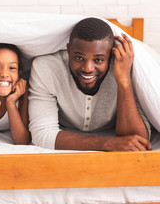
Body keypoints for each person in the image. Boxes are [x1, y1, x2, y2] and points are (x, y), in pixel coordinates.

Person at [29, 17, 152, 151]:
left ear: (110, 56)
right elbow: (42, 135)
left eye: (98, 59)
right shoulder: (47, 67)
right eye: (79, 57)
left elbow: (137, 140)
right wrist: (108, 143)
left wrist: (124, 81)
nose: (88, 68)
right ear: (69, 50)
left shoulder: (126, 66)